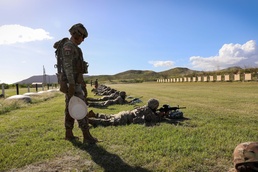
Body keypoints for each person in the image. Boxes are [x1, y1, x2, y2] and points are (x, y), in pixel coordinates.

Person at [53, 23, 98, 144]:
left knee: (70, 107)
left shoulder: (73, 47)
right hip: (71, 83)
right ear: (77, 34)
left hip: (74, 82)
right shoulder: (69, 46)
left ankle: (69, 133)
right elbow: (67, 67)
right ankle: (86, 135)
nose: (83, 40)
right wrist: (72, 85)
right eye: (83, 37)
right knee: (80, 106)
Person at [87, 98, 159, 127]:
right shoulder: (149, 112)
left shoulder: (144, 107)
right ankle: (91, 121)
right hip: (125, 118)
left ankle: (96, 115)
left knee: (110, 116)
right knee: (109, 122)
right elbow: (154, 120)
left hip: (125, 113)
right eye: (156, 106)